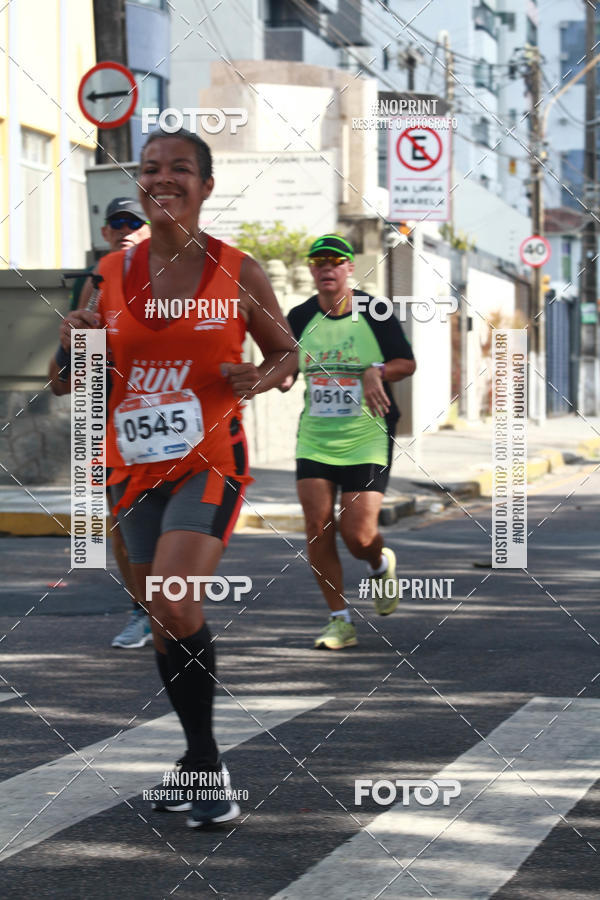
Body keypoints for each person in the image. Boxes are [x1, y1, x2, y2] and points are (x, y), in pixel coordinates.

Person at [50, 128, 297, 826]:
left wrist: (260, 375)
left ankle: (208, 769)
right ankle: (198, 762)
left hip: (210, 461)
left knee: (175, 601)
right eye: (151, 168)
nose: (163, 178)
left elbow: (287, 354)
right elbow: (69, 383)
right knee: (164, 618)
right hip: (128, 468)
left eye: (181, 169)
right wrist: (77, 346)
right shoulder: (107, 273)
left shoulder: (237, 270)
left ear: (206, 186)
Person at [281, 235, 416, 650]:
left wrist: (377, 369)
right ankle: (339, 620)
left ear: (349, 268)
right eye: (319, 262)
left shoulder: (375, 311)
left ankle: (378, 562)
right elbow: (285, 369)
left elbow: (407, 362)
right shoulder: (300, 316)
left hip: (366, 436)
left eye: (335, 261)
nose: (327, 268)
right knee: (317, 528)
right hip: (316, 438)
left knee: (358, 535)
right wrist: (267, 378)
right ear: (310, 269)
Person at [67, 198, 153, 649]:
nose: (124, 230)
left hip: (165, 419)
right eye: (116, 223)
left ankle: (173, 603)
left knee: (168, 522)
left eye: (133, 223)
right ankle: (142, 611)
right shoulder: (97, 283)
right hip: (109, 419)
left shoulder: (171, 276)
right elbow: (74, 362)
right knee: (121, 520)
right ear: (105, 233)